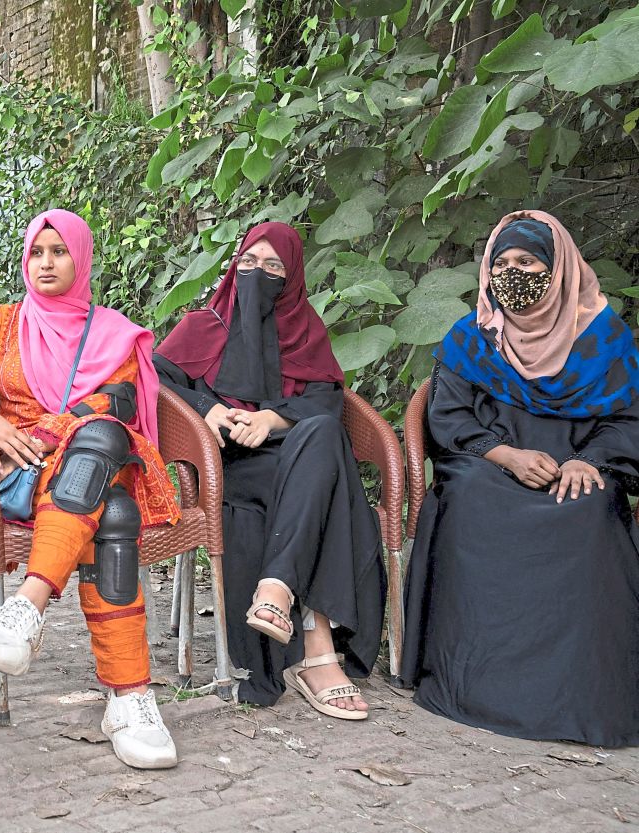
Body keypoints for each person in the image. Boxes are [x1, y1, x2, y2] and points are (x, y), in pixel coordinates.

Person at [0, 209, 181, 769]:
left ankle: (29, 604)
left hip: (84, 456)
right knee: (112, 511)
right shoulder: (2, 323)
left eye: (58, 251)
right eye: (36, 252)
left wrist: (50, 432)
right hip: (25, 469)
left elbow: (116, 402)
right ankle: (130, 693)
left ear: (81, 259)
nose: (45, 262)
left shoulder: (113, 331)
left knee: (102, 434)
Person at [400, 210, 639, 746]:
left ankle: (578, 698)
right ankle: (476, 690)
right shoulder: (472, 338)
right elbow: (449, 417)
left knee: (589, 509)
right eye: (501, 263)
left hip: (575, 466)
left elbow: (629, 421)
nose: (512, 273)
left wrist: (591, 462)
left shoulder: (606, 340)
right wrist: (504, 455)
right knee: (472, 501)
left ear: (558, 270)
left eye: (526, 261)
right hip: (489, 466)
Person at [154, 221, 385, 720]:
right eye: (249, 263)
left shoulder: (305, 333)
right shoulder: (202, 327)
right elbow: (153, 382)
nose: (259, 274)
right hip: (228, 467)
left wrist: (273, 417)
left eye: (274, 266)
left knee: (322, 436)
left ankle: (276, 591)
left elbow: (327, 400)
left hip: (295, 460)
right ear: (234, 266)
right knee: (328, 476)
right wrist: (206, 409)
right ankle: (317, 651)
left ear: (294, 276)